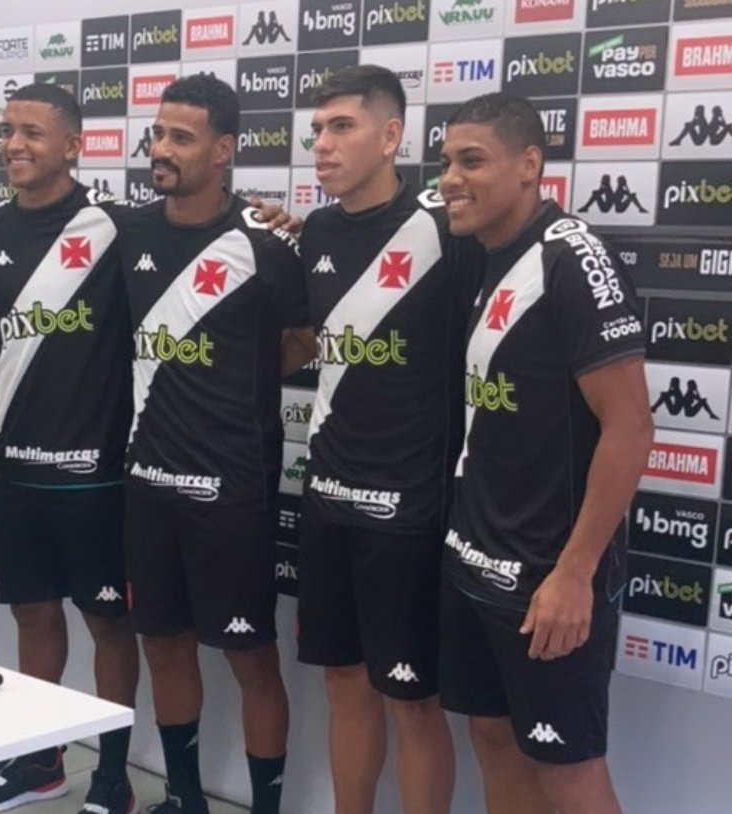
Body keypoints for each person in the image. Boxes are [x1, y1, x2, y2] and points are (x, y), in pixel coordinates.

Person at [437, 93, 653, 814]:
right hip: (473, 557)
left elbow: (631, 428)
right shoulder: (479, 252)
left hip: (547, 577)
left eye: (472, 161)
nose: (451, 179)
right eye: (446, 162)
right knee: (493, 739)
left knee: (568, 772)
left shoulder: (572, 258)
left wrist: (574, 572)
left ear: (529, 164)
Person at [116, 73, 315, 814]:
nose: (161, 149)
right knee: (162, 645)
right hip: (147, 481)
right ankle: (184, 799)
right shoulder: (131, 232)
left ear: (224, 150)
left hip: (231, 488)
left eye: (181, 137)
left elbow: (303, 340)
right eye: (158, 133)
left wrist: (238, 380)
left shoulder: (267, 240)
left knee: (250, 656)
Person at [295, 64, 482, 814]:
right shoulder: (316, 231)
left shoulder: (445, 227)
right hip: (327, 496)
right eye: (317, 129)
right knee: (343, 681)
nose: (322, 144)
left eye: (342, 127)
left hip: (410, 509)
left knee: (412, 701)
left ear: (391, 136)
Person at [0, 83, 139, 814]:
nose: (14, 144)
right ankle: (41, 762)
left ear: (73, 145)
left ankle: (114, 774)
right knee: (32, 616)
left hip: (97, 473)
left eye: (32, 132)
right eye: (8, 131)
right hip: (17, 469)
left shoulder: (116, 227)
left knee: (109, 624)